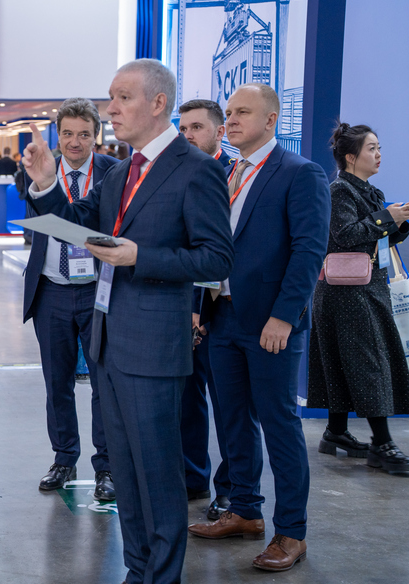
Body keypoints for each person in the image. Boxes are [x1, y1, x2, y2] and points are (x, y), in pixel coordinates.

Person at [23, 59, 234, 583]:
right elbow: (79, 224)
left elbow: (216, 258)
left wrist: (141, 256)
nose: (111, 109)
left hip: (154, 346)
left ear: (158, 103)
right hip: (107, 340)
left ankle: (162, 576)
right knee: (127, 472)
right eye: (111, 98)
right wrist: (46, 184)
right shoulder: (121, 172)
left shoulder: (197, 169)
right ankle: (138, 569)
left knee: (157, 473)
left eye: (122, 98)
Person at [187, 83, 330, 573]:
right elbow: (211, 247)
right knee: (233, 421)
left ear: (271, 120)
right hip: (222, 316)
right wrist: (198, 307)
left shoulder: (299, 173)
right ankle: (245, 510)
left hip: (271, 324)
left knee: (279, 426)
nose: (230, 121)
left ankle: (291, 531)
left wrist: (284, 316)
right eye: (228, 113)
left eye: (241, 112)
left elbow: (309, 251)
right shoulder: (226, 172)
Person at [21, 97, 118, 501]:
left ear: (96, 136)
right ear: (57, 136)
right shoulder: (39, 170)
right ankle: (64, 458)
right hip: (51, 290)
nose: (75, 142)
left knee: (103, 384)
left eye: (84, 134)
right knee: (56, 382)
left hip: (98, 292)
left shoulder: (114, 172)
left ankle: (107, 466)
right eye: (67, 134)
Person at [308, 123, 409, 474]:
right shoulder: (340, 191)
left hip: (362, 289)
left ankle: (336, 432)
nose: (379, 154)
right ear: (351, 157)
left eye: (379, 147)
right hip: (348, 294)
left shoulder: (368, 191)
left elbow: (372, 242)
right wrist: (387, 217)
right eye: (372, 148)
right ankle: (382, 444)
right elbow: (345, 234)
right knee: (370, 365)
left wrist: (398, 224)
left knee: (344, 362)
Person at [177, 98, 233, 521]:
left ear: (219, 131)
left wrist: (200, 308)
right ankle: (193, 476)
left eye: (197, 127)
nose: (188, 136)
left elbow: (218, 251)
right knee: (188, 399)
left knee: (229, 405)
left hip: (224, 309)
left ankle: (230, 489)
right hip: (182, 307)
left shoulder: (234, 175)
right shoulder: (180, 174)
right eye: (183, 129)